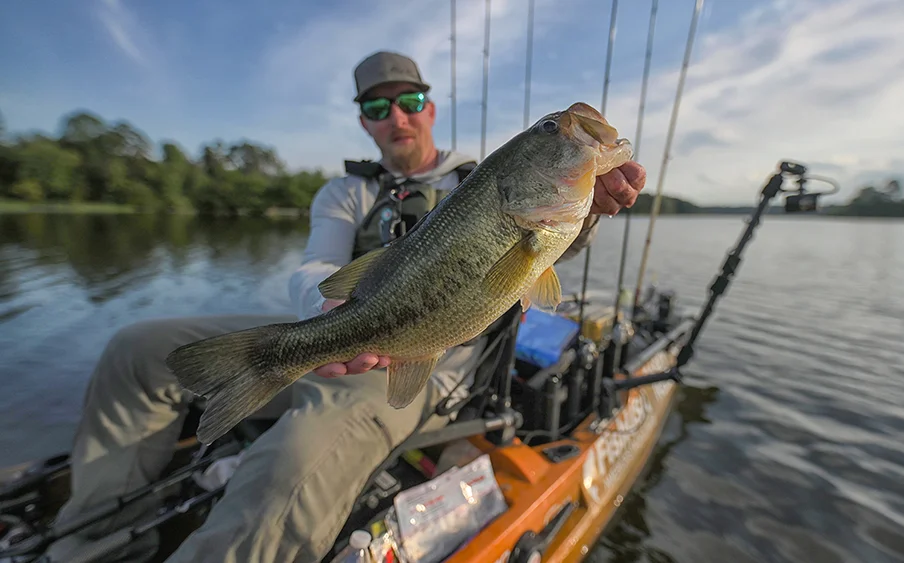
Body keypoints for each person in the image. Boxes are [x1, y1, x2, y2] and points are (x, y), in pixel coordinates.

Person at [42, 50, 646, 563]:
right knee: (134, 350)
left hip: (431, 357)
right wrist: (328, 317)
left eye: (408, 101)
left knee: (294, 460)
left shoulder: (477, 179)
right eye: (379, 108)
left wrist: (588, 210)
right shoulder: (345, 191)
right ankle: (95, 544)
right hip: (347, 324)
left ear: (429, 108)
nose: (397, 117)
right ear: (365, 122)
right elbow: (315, 268)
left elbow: (548, 244)